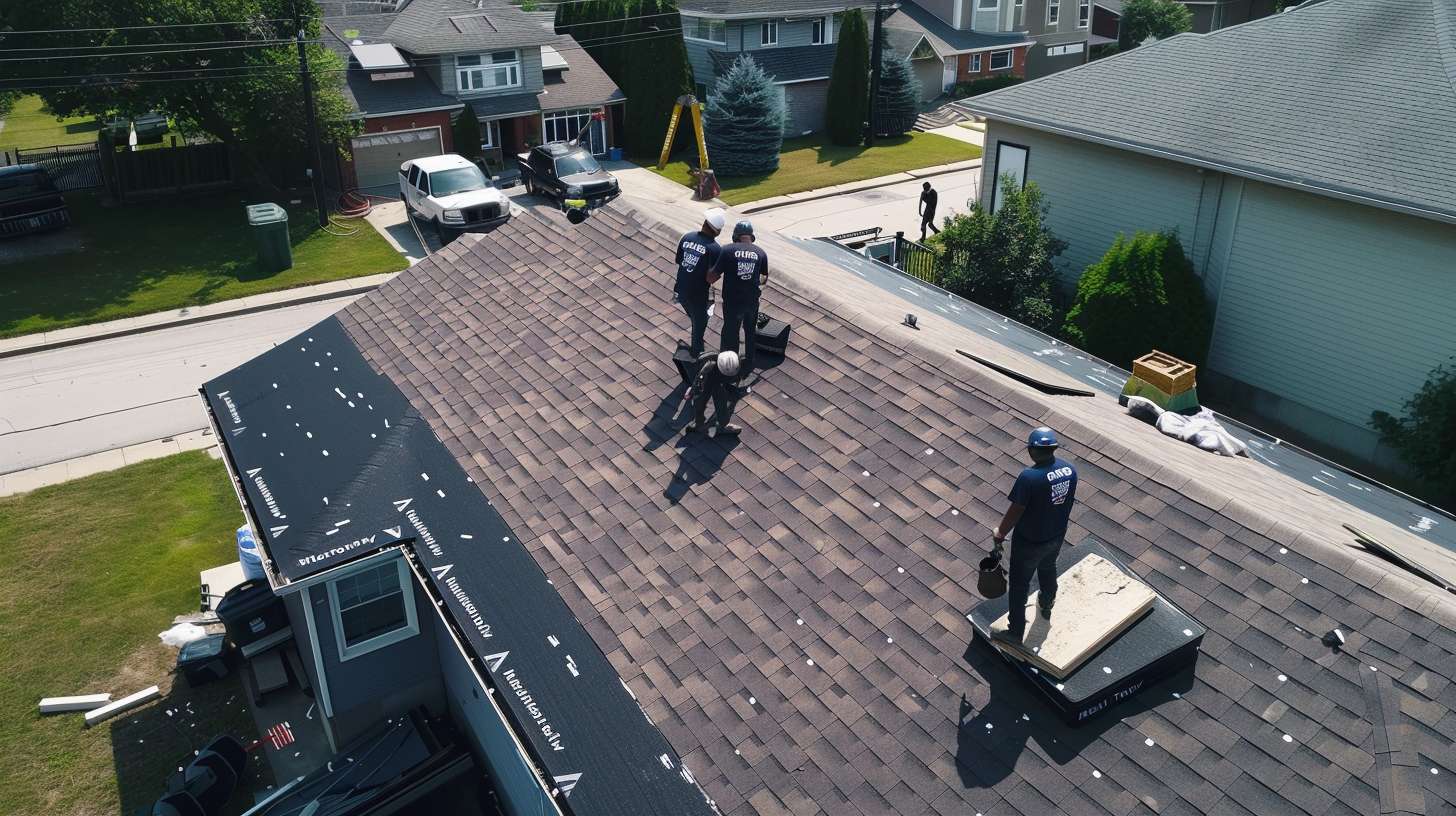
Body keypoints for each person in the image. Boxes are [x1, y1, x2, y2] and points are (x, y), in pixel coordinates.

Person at [989, 427, 1079, 648]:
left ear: (1032, 450)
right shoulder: (1069, 470)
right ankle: (1047, 603)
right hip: (1056, 535)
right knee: (1048, 568)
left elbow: (1016, 510)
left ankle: (1015, 632)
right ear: (1053, 449)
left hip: (1030, 541)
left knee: (1019, 586)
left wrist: (1000, 534)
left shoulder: (1029, 477)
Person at [708, 220, 768, 380]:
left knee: (731, 333)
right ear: (751, 236)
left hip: (733, 301)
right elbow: (763, 279)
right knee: (750, 331)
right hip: (752, 301)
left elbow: (713, 276)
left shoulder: (727, 250)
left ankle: (729, 367)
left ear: (736, 236)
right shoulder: (761, 253)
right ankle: (749, 361)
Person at [674, 207, 726, 356]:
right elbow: (710, 278)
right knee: (700, 325)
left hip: (681, 290)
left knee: (696, 318)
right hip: (697, 294)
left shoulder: (686, 237)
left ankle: (697, 328)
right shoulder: (715, 249)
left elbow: (680, 261)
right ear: (717, 231)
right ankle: (697, 357)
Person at [685, 350, 741, 437]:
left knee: (721, 402)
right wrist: (692, 390)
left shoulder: (733, 361)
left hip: (719, 382)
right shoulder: (707, 366)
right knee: (699, 401)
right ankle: (698, 422)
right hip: (708, 381)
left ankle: (722, 425)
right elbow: (698, 380)